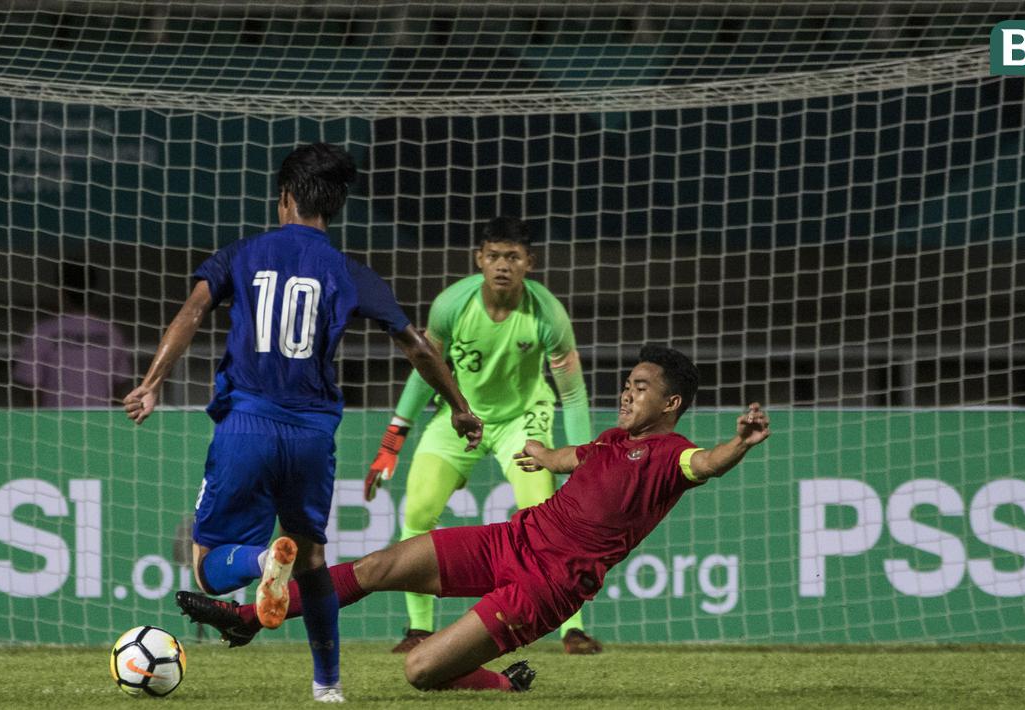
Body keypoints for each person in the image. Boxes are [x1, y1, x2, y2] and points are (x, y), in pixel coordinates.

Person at [176, 345, 771, 693]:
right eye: (627, 383)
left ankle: (503, 683)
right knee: (379, 563)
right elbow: (577, 458)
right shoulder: (616, 438)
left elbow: (708, 464)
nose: (626, 392)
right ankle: (247, 616)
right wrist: (543, 456)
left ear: (670, 404)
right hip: (513, 539)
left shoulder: (672, 455)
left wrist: (739, 444)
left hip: (550, 583)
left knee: (421, 670)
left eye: (640, 388)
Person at [123, 143, 483, 704]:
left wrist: (151, 382)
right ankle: (328, 685)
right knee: (313, 558)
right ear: (333, 206)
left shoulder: (240, 254)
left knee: (209, 569)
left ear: (285, 198)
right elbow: (416, 346)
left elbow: (192, 312)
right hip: (313, 436)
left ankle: (264, 559)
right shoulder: (348, 271)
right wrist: (459, 405)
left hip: (247, 425)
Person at [362, 216, 601, 655]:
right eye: (493, 256)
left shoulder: (548, 314)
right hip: (461, 416)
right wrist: (393, 439)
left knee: (547, 520)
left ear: (529, 262)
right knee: (417, 511)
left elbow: (574, 393)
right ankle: (418, 629)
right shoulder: (452, 305)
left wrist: (580, 459)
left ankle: (574, 630)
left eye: (512, 256)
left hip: (522, 421)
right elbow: (424, 367)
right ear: (479, 259)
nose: (502, 265)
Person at [13, 261, 131, 407]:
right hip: (100, 423)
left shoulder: (42, 332)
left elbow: (31, 390)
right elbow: (118, 390)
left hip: (55, 424)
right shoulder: (111, 332)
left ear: (60, 290)